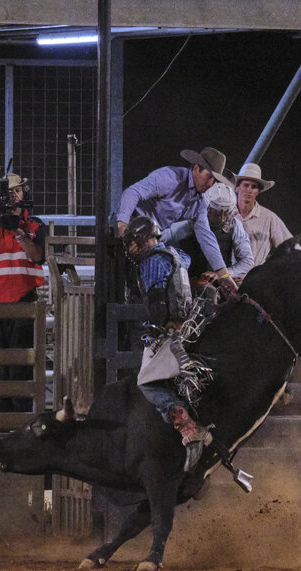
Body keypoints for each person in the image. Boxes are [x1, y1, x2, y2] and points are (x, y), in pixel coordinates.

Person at [123, 216, 212, 473]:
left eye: (132, 244)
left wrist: (157, 329)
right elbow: (187, 264)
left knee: (147, 381)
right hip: (191, 324)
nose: (131, 250)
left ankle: (187, 426)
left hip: (173, 330)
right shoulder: (175, 254)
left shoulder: (152, 261)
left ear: (141, 239)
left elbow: (157, 300)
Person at [116, 147, 238, 295]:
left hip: (153, 238)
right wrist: (123, 226)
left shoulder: (199, 202)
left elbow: (206, 237)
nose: (211, 183)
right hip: (132, 227)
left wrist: (224, 275)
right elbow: (132, 192)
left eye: (215, 180)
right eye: (209, 176)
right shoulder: (169, 177)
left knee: (179, 262)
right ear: (196, 168)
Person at [0, 172, 46, 412]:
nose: (13, 196)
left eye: (17, 191)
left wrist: (20, 233)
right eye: (9, 192)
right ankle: (2, 416)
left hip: (23, 300)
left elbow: (38, 257)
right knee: (0, 363)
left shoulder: (35, 225)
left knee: (22, 364)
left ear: (24, 193)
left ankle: (21, 415)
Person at [164, 182, 254, 283]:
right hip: (190, 281)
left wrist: (223, 274)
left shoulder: (235, 225)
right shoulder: (190, 221)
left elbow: (247, 261)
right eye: (217, 212)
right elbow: (164, 238)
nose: (222, 217)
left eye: (226, 212)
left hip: (222, 280)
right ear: (207, 208)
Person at [232, 163, 291, 266]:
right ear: (237, 188)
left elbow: (292, 247)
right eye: (246, 185)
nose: (249, 190)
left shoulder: (269, 218)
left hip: (254, 278)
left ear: (257, 192)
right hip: (226, 276)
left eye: (254, 187)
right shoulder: (226, 214)